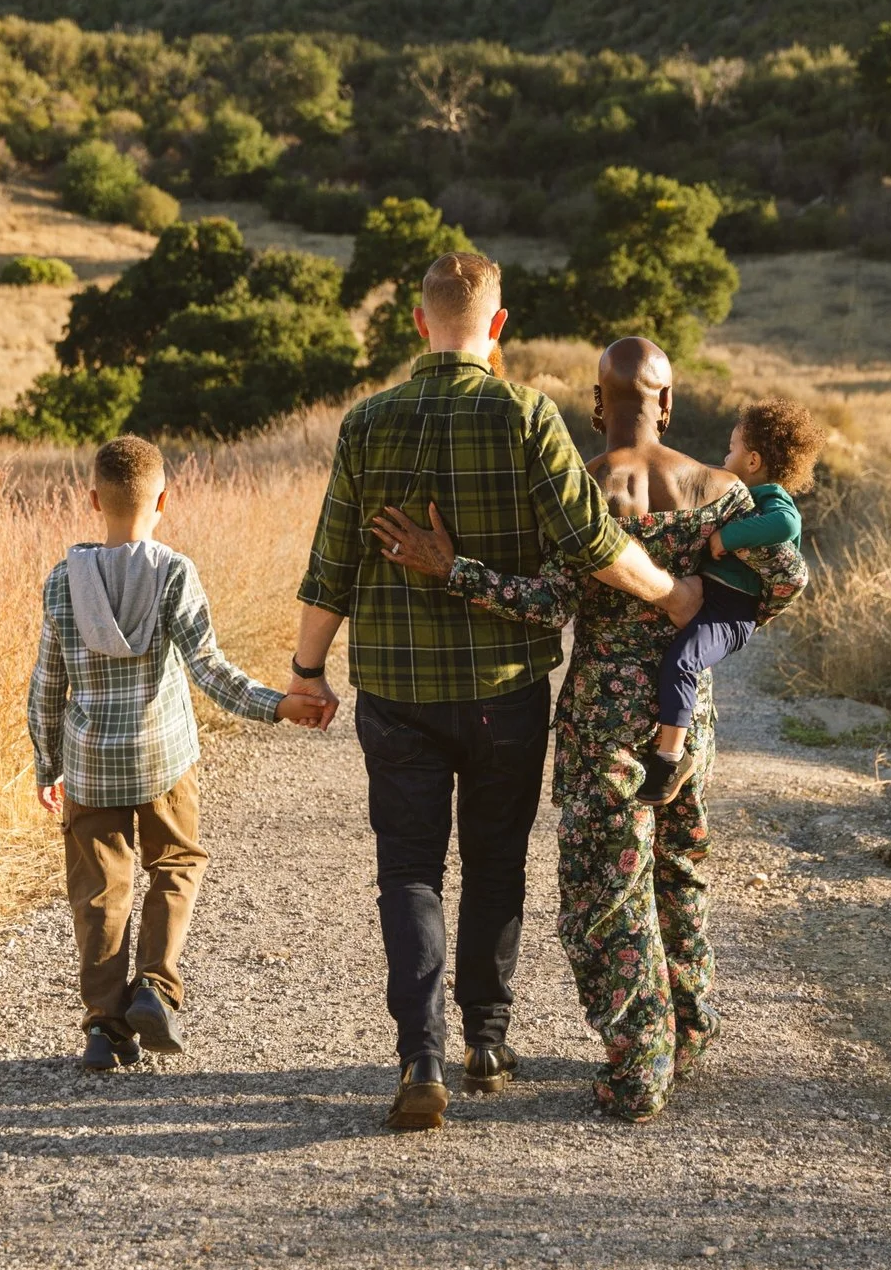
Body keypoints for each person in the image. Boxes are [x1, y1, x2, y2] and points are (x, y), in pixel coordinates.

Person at [290, 254, 705, 1132]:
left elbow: (333, 560)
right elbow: (593, 541)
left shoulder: (366, 424)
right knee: (493, 861)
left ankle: (421, 1056)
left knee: (408, 869)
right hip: (502, 693)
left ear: (418, 321)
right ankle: (487, 1037)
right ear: (500, 325)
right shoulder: (527, 418)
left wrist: (306, 669)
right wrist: (670, 594)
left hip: (398, 688)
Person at [371, 339, 808, 1122]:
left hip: (601, 717)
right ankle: (685, 1027)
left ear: (596, 405)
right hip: (687, 717)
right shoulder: (725, 490)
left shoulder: (577, 489)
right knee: (678, 868)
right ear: (668, 402)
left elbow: (545, 603)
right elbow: (783, 574)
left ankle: (639, 1066)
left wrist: (451, 569)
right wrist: (710, 605)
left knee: (606, 891)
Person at [29, 435, 330, 1073]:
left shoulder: (62, 582)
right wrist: (278, 703)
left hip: (88, 765)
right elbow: (209, 670)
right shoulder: (173, 574)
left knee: (99, 891)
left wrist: (46, 764)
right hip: (163, 758)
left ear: (92, 500)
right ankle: (156, 989)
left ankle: (104, 1030)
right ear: (164, 498)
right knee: (176, 863)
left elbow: (46, 688)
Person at [637, 399, 823, 804]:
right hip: (713, 602)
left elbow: (787, 524)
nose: (726, 456)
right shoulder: (732, 496)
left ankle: (671, 759)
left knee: (682, 661)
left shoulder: (771, 498)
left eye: (732, 448)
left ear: (753, 460)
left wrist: (727, 538)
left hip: (731, 613)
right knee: (670, 661)